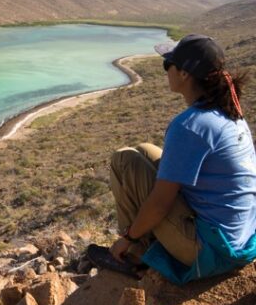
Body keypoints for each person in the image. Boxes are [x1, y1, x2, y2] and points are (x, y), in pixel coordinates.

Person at [90, 34, 256, 284]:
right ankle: (145, 245)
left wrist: (129, 236)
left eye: (168, 64)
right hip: (238, 240)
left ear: (185, 74)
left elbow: (160, 203)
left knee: (124, 160)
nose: (166, 70)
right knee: (145, 150)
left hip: (212, 251)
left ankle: (132, 255)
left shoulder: (190, 126)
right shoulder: (228, 112)